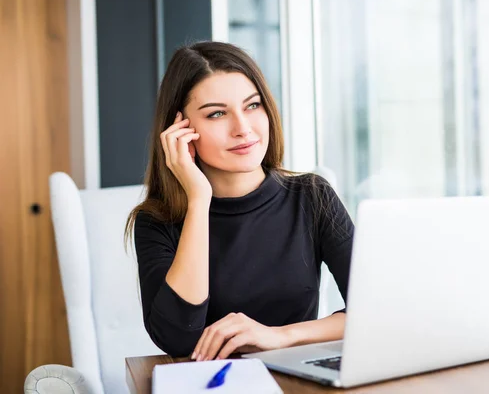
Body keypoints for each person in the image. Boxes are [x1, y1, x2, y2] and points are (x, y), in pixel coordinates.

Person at [125, 41, 354, 361]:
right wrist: (198, 200)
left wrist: (280, 336)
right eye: (217, 114)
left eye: (252, 105)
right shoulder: (157, 220)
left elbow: (373, 312)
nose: (243, 129)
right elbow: (176, 338)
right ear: (179, 130)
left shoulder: (313, 196)